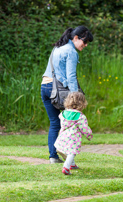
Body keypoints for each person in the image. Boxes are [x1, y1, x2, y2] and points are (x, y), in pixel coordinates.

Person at [41, 26, 93, 164]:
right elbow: (71, 77)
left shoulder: (57, 47)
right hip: (59, 91)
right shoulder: (71, 51)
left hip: (45, 87)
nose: (86, 45)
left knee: (55, 123)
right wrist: (76, 97)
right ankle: (69, 159)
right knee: (71, 122)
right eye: (85, 41)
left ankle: (53, 157)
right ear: (76, 38)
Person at [54, 92, 93, 175]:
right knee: (72, 152)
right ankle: (66, 167)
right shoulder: (80, 116)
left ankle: (72, 164)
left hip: (63, 137)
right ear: (82, 103)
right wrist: (89, 135)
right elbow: (84, 128)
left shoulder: (63, 114)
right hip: (73, 138)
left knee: (69, 151)